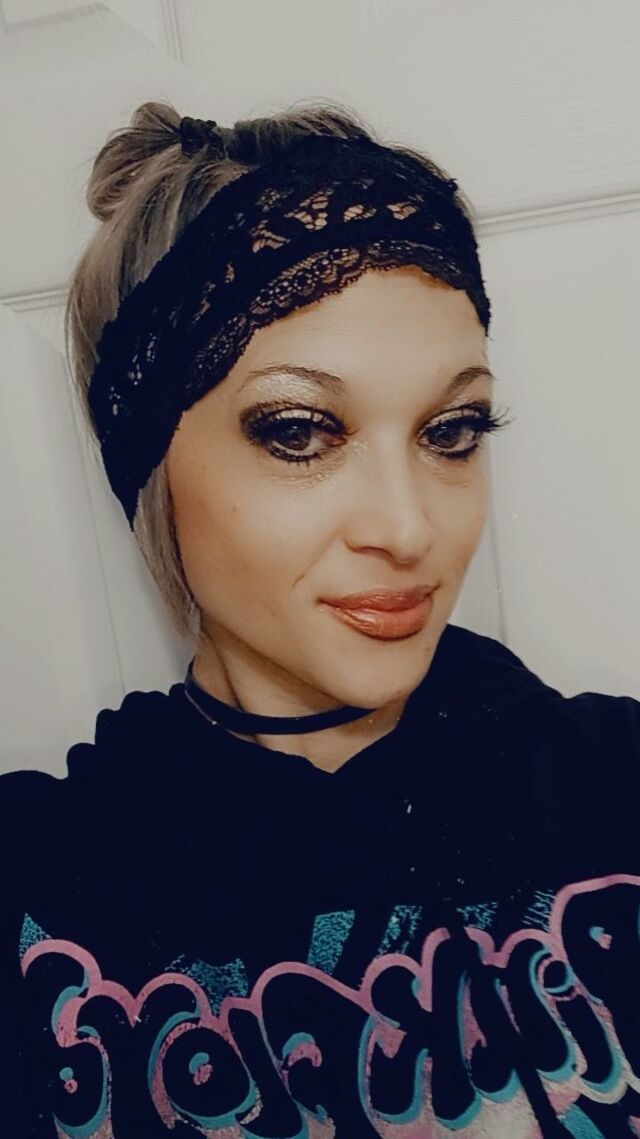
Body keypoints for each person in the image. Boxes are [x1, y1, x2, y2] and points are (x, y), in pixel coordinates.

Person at [1, 99, 639, 1139]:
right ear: (149, 464)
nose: (409, 526)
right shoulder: (40, 885)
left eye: (451, 429)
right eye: (300, 431)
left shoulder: (613, 782)